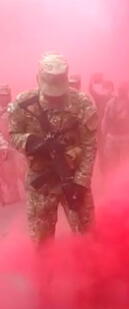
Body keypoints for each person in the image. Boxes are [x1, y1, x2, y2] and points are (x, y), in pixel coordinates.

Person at [7, 52, 97, 244]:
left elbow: (89, 145)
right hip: (41, 182)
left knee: (87, 236)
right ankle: (45, 273)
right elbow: (12, 134)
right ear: (38, 79)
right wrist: (32, 142)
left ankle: (90, 272)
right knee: (42, 241)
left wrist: (81, 182)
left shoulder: (82, 103)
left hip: (73, 179)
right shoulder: (22, 104)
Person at [102, 82, 129, 171]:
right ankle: (113, 182)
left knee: (127, 164)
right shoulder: (110, 103)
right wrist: (104, 137)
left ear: (127, 91)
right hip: (112, 137)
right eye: (120, 89)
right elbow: (105, 120)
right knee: (112, 164)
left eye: (123, 90)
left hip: (126, 137)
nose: (121, 92)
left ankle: (126, 182)